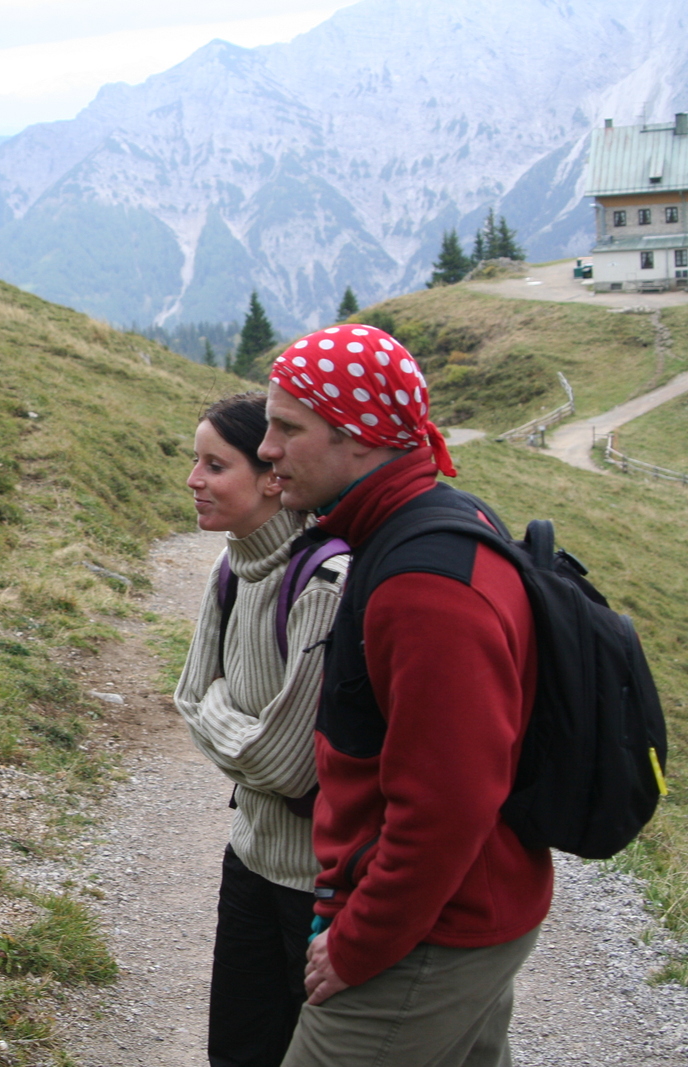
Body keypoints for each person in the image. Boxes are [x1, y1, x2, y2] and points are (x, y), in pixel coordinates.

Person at [260, 325, 552, 1066]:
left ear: (358, 438)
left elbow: (449, 804)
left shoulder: (425, 585)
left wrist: (359, 943)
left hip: (431, 931)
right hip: (460, 913)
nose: (267, 449)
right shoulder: (424, 524)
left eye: (287, 428)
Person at [174, 392, 347, 1067]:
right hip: (249, 858)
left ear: (272, 478)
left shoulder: (325, 582)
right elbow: (188, 697)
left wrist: (220, 713)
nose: (193, 479)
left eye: (215, 465)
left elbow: (289, 767)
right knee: (238, 1053)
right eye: (196, 461)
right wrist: (240, 726)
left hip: (319, 887)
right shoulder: (232, 566)